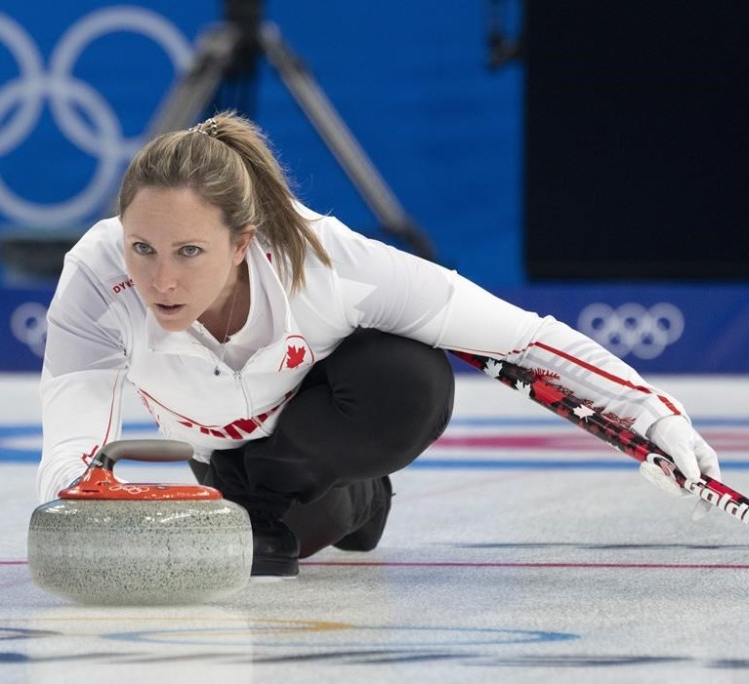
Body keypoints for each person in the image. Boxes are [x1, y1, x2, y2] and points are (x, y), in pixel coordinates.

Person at [37, 111, 721, 577]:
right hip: (218, 461)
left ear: (243, 243)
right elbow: (75, 422)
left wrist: (651, 414)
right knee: (263, 533)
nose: (161, 277)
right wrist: (78, 506)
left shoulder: (328, 263)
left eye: (190, 251)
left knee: (410, 380)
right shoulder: (97, 276)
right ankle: (283, 507)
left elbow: (522, 342)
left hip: (313, 433)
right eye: (142, 248)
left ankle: (362, 498)